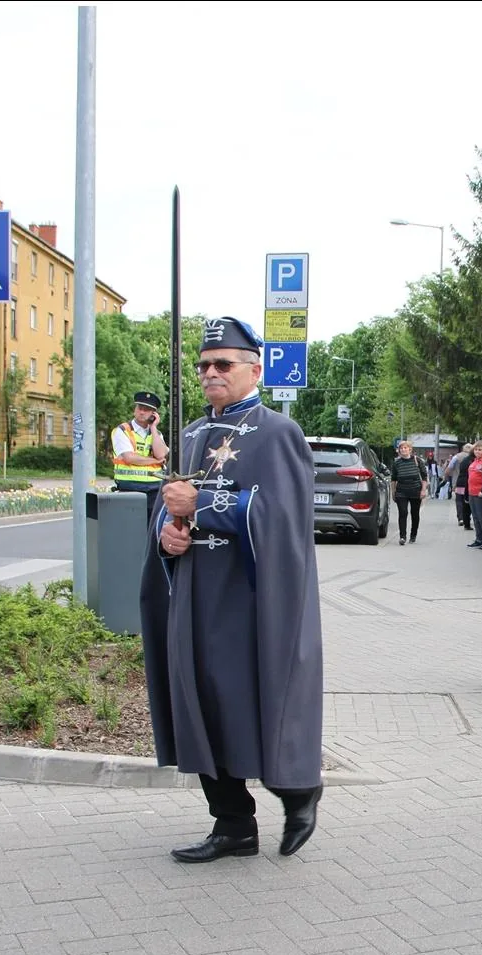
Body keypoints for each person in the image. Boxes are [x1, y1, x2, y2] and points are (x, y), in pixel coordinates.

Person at [138, 315, 324, 862]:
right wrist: (167, 533)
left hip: (249, 600)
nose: (210, 374)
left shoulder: (278, 433)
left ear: (254, 369)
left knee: (253, 701)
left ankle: (297, 791)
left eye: (223, 364)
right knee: (199, 705)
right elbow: (170, 502)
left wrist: (206, 507)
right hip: (196, 593)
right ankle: (234, 825)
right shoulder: (192, 434)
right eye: (203, 366)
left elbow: (285, 516)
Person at [112, 390, 170, 524]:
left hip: (154, 489)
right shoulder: (122, 431)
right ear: (135, 410)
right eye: (140, 408)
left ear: (154, 414)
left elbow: (162, 454)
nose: (142, 412)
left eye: (147, 410)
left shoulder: (156, 434)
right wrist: (155, 461)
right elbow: (129, 458)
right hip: (130, 489)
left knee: (152, 529)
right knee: (131, 530)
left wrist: (154, 428)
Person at [389, 440, 428, 546]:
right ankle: (402, 536)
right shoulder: (397, 463)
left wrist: (423, 490)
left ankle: (413, 535)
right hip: (401, 491)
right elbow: (393, 479)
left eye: (405, 448)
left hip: (415, 490)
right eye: (401, 448)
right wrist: (393, 492)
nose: (403, 450)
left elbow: (424, 476)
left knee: (415, 514)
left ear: (410, 449)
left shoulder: (417, 460)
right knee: (403, 512)